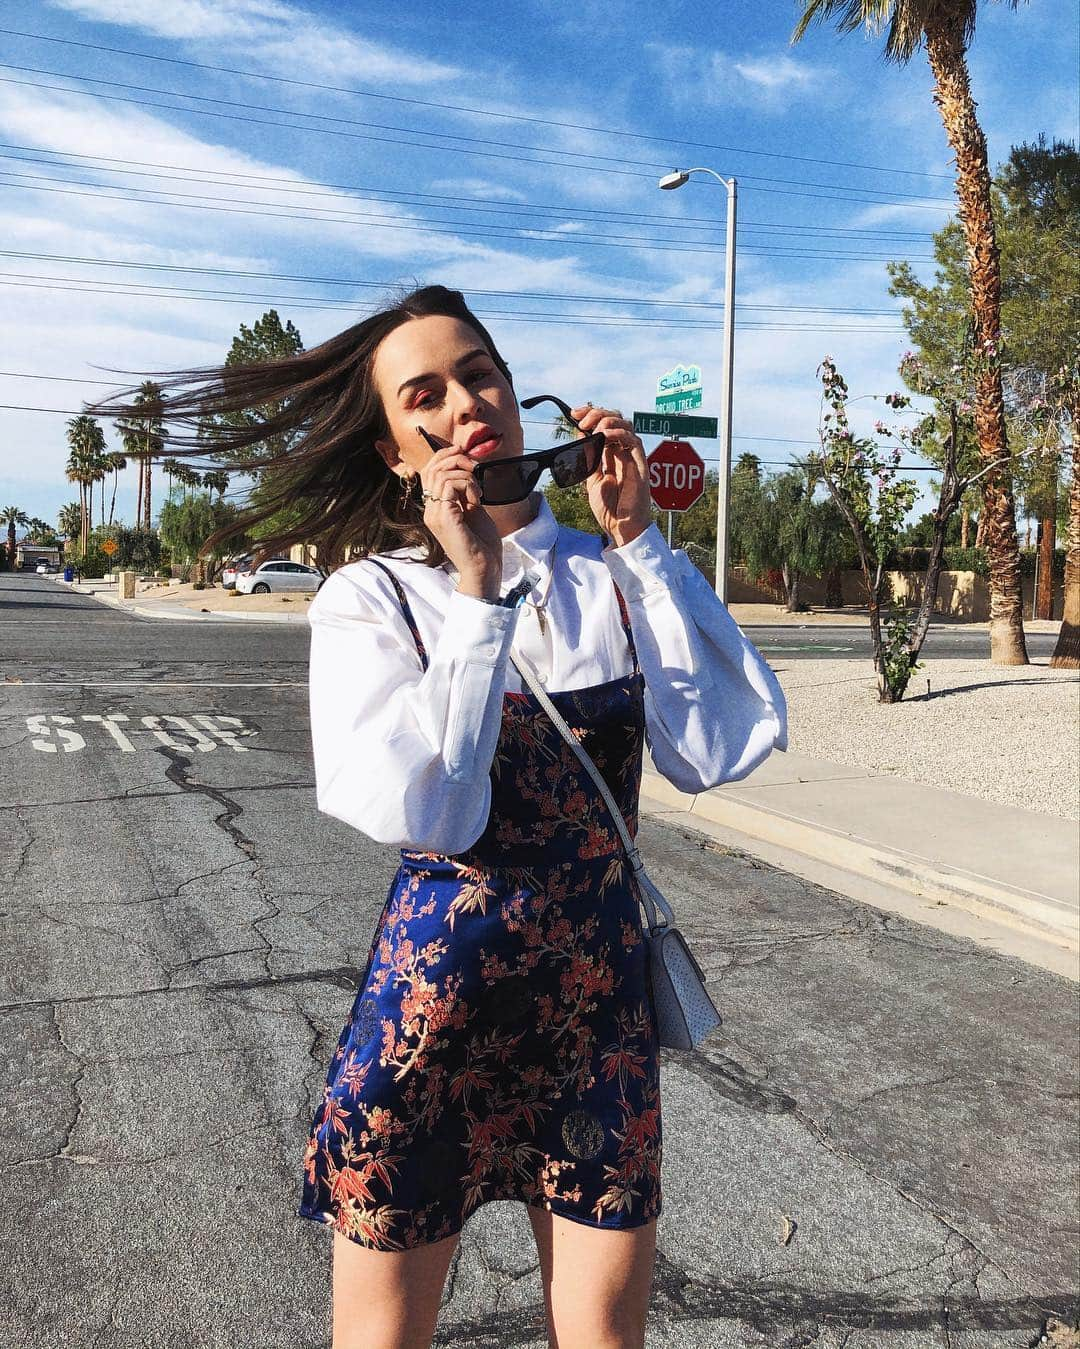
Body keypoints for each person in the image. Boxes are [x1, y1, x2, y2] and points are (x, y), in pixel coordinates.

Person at [90, 284, 788, 1349]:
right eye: (428, 392)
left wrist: (642, 541)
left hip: (594, 1021)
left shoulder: (613, 577)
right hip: (434, 1023)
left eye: (481, 373)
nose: (469, 403)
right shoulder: (375, 597)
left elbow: (716, 745)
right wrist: (474, 587)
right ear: (394, 453)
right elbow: (430, 808)